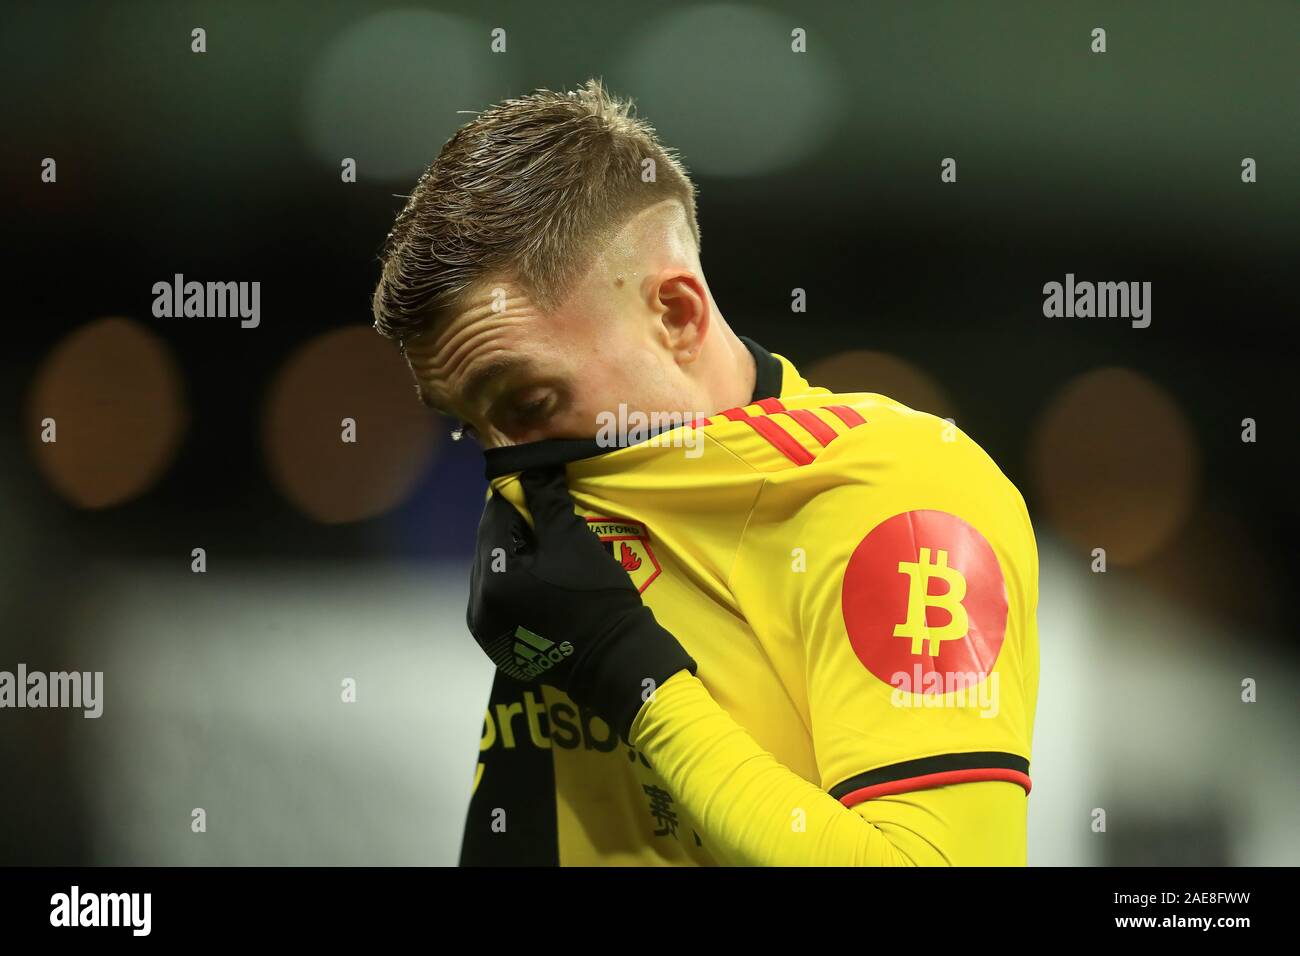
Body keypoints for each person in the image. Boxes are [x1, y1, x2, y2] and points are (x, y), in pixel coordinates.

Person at [372, 79, 1039, 866]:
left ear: (676, 315)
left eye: (529, 400)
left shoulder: (902, 500)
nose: (507, 472)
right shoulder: (563, 525)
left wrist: (636, 678)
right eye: (468, 427)